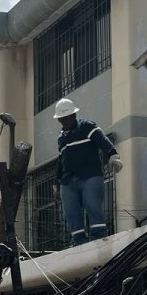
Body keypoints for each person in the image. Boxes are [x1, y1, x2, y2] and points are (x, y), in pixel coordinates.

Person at [53, 98, 122, 247]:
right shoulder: (61, 137)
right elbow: (61, 161)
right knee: (71, 212)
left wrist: (113, 155)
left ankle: (99, 238)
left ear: (74, 115)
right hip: (68, 180)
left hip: (90, 176)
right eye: (62, 119)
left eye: (67, 117)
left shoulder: (86, 126)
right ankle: (78, 241)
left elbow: (102, 140)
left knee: (92, 205)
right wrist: (56, 183)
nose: (65, 121)